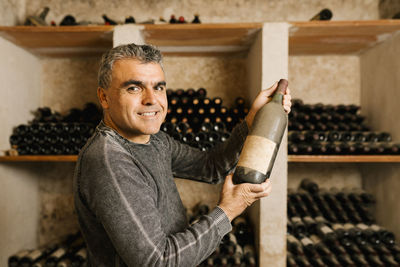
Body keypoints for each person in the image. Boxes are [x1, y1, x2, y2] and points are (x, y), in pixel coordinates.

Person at [73, 43, 291, 267]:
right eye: (134, 88)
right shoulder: (109, 161)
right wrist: (228, 210)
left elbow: (211, 166)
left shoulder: (155, 140)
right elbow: (158, 262)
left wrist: (251, 120)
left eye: (158, 87)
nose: (151, 99)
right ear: (104, 97)